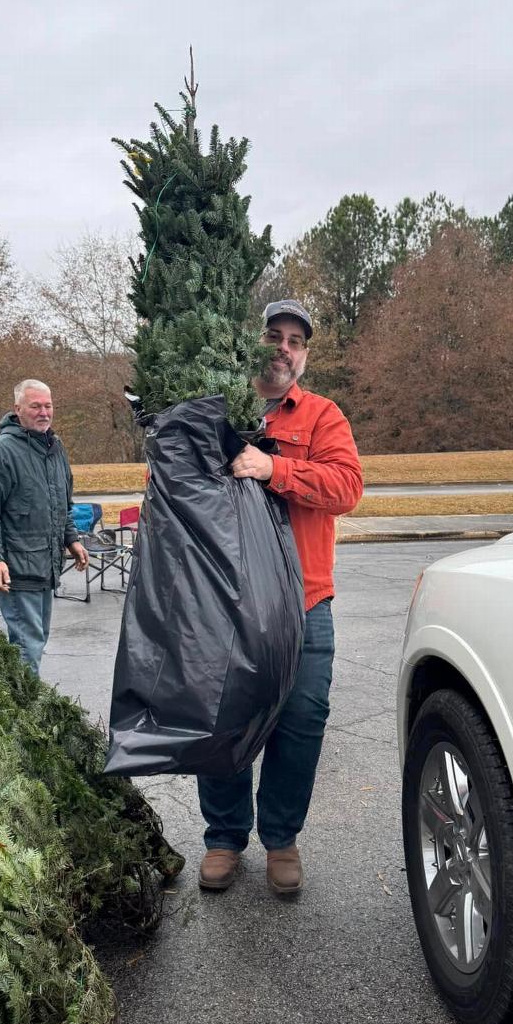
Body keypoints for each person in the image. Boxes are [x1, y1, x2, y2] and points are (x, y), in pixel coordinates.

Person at [197, 299, 364, 895]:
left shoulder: (321, 416)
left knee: (301, 722)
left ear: (305, 355)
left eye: (296, 340)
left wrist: (274, 469)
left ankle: (281, 839)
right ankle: (223, 837)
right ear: (255, 342)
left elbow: (348, 487)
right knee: (222, 721)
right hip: (225, 603)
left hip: (305, 603)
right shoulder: (217, 407)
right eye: (275, 335)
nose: (284, 348)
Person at [0, 379, 88, 676]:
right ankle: (25, 712)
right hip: (17, 569)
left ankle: (21, 704)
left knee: (35, 641)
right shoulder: (0, 453)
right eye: (35, 406)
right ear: (18, 409)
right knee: (26, 646)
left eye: (48, 406)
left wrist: (71, 539)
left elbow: (61, 504)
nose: (43, 412)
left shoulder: (55, 449)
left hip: (46, 566)